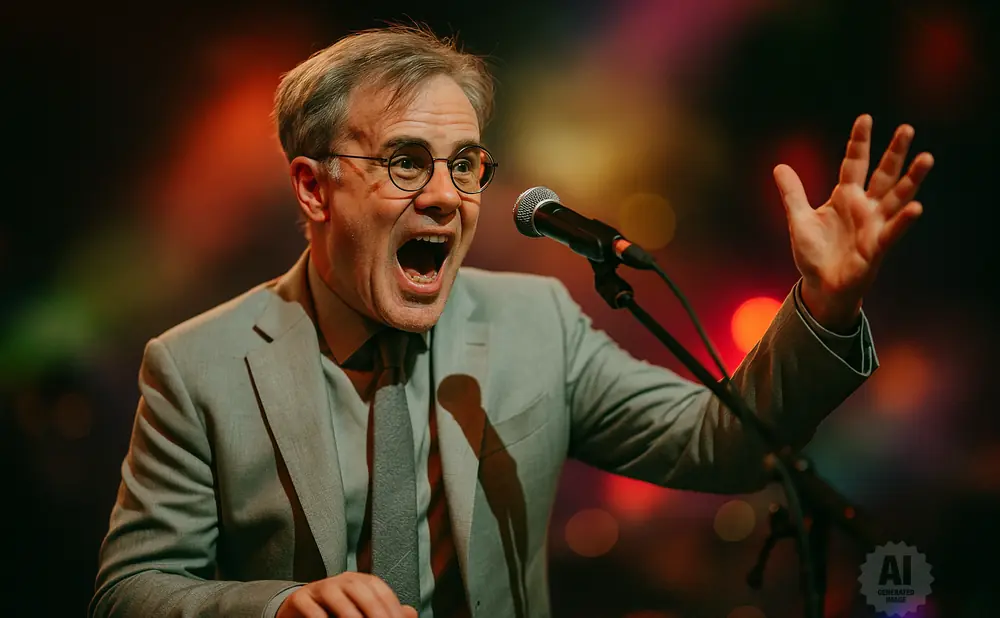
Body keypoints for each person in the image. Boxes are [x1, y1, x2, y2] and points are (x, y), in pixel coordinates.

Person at [90, 25, 933, 618]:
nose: (447, 196)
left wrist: (826, 304)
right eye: (406, 161)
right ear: (313, 187)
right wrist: (277, 608)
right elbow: (130, 590)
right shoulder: (198, 364)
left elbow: (727, 440)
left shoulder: (537, 321)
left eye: (465, 165)